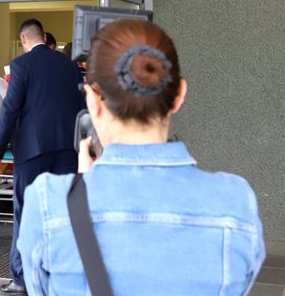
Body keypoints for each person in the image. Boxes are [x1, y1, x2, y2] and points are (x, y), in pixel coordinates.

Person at [18, 19, 265, 295]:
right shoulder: (235, 201)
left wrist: (83, 186)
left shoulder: (48, 202)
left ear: (92, 101)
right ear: (179, 96)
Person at [0, 19, 84, 296]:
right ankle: (60, 274)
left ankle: (21, 279)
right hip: (68, 149)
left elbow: (10, 110)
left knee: (26, 211)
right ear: (43, 36)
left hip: (32, 151)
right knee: (63, 211)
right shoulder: (70, 65)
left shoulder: (21, 65)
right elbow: (82, 107)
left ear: (24, 39)